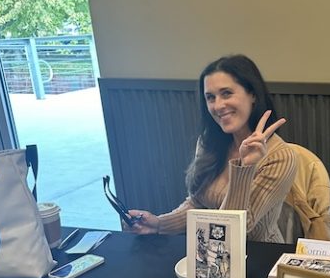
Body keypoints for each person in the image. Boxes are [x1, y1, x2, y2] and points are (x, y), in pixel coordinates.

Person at [125, 54, 297, 242]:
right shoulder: (209, 142)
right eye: (210, 97)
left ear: (252, 94)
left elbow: (237, 228)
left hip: (260, 257)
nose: (218, 105)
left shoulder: (281, 156)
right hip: (210, 252)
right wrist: (159, 224)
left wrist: (244, 167)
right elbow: (197, 203)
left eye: (226, 93)